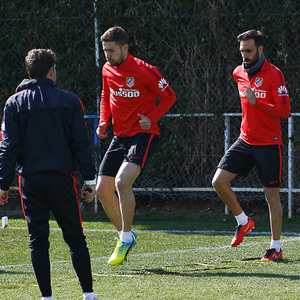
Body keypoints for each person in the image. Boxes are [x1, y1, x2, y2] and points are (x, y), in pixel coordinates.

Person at [0, 49, 98, 300]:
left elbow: (9, 147)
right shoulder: (70, 100)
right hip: (61, 178)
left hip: (29, 180)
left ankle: (47, 297)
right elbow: (80, 142)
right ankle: (88, 294)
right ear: (52, 70)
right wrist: (90, 179)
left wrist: (3, 184)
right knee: (75, 237)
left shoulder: (14, 102)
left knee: (38, 240)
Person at [95, 26, 176, 266]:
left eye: (111, 50)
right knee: (102, 190)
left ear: (125, 48)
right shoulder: (107, 69)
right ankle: (126, 236)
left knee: (122, 182)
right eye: (104, 51)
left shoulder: (145, 71)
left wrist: (152, 116)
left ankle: (125, 237)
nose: (107, 55)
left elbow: (170, 96)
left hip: (144, 133)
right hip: (119, 137)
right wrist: (103, 120)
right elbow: (105, 95)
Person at [212, 30, 290, 261]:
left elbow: (284, 111)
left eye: (249, 51)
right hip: (245, 140)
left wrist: (259, 103)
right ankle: (243, 221)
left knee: (271, 195)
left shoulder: (275, 74)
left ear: (260, 50)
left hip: (269, 144)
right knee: (218, 181)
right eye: (241, 51)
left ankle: (275, 247)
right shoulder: (238, 72)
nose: (244, 55)